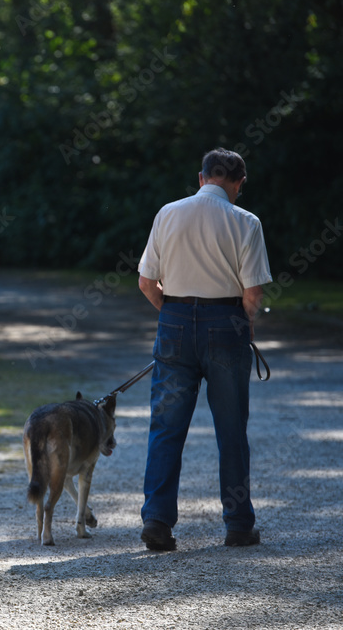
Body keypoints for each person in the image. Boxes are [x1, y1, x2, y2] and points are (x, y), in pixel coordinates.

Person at [136, 147, 271, 551]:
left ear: (201, 178)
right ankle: (238, 525)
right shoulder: (246, 222)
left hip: (175, 320)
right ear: (238, 184)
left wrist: (174, 313)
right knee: (231, 431)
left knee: (166, 428)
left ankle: (157, 522)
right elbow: (252, 295)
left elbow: (146, 282)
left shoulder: (168, 213)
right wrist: (244, 328)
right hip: (225, 325)